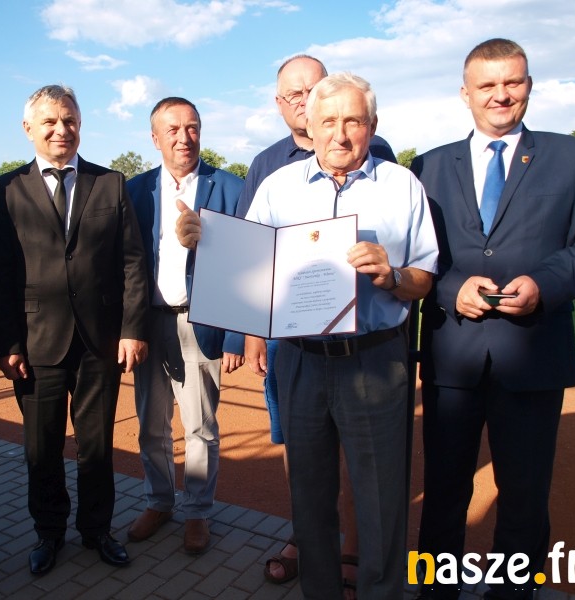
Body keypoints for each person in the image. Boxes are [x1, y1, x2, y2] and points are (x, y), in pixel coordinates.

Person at [179, 72, 438, 599]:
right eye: (329, 121)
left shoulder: (402, 185)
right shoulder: (278, 186)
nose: (340, 134)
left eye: (353, 121)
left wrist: (392, 274)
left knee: (382, 497)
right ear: (310, 126)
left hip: (374, 360)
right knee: (309, 494)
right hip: (299, 359)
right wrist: (203, 242)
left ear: (372, 126)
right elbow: (247, 267)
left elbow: (425, 279)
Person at [411, 38, 575, 600]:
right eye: (487, 85)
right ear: (465, 93)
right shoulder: (428, 165)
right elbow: (419, 253)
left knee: (524, 494)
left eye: (513, 82)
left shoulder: (571, 155)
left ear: (528, 85)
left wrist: (545, 283)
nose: (501, 95)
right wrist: (451, 288)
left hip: (534, 354)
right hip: (453, 355)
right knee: (444, 490)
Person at [235, 54, 398, 594]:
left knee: (365, 470)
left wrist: (390, 273)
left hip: (366, 348)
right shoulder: (269, 169)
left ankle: (356, 554)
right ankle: (311, 553)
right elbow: (248, 254)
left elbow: (410, 260)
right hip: (296, 346)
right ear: (283, 105)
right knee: (304, 461)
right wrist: (251, 332)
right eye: (294, 95)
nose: (306, 103)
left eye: (315, 91)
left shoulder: (383, 161)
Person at [0, 84, 149, 576]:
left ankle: (97, 530)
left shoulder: (110, 183)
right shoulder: (7, 188)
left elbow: (133, 262)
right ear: (28, 128)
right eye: (51, 122)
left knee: (97, 447)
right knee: (42, 449)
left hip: (100, 342)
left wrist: (132, 329)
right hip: (37, 344)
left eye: (70, 121)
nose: (62, 130)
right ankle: (49, 533)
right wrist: (8, 342)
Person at [125, 97, 244, 555]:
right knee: (151, 425)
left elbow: (246, 265)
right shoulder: (134, 190)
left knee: (201, 426)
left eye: (192, 128)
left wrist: (235, 335)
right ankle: (158, 502)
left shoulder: (230, 188)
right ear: (154, 138)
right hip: (147, 322)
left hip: (200, 320)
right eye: (172, 130)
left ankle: (197, 511)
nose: (184, 138)